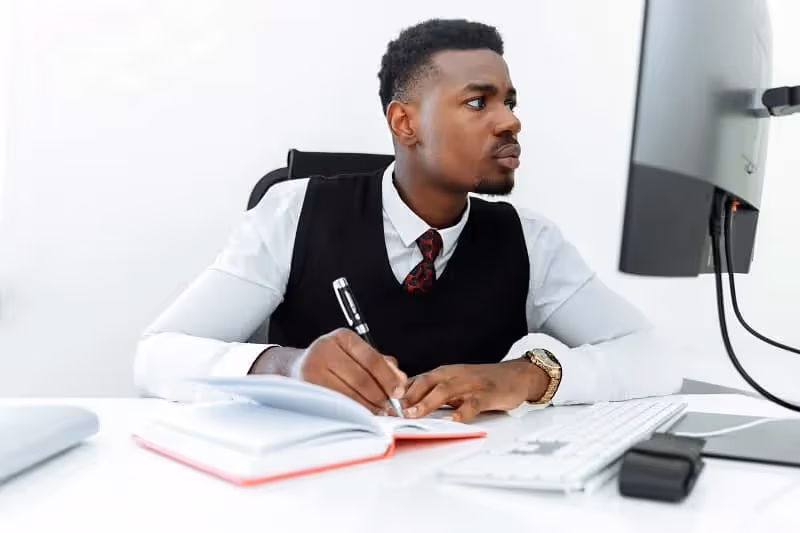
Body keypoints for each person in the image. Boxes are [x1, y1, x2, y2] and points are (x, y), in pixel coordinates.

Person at [134, 19, 682, 421]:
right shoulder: (292, 211)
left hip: (474, 494)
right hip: (312, 493)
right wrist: (287, 367)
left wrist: (526, 375)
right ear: (405, 122)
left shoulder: (530, 239)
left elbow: (652, 357)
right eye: (478, 102)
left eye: (511, 102)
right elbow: (156, 354)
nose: (510, 120)